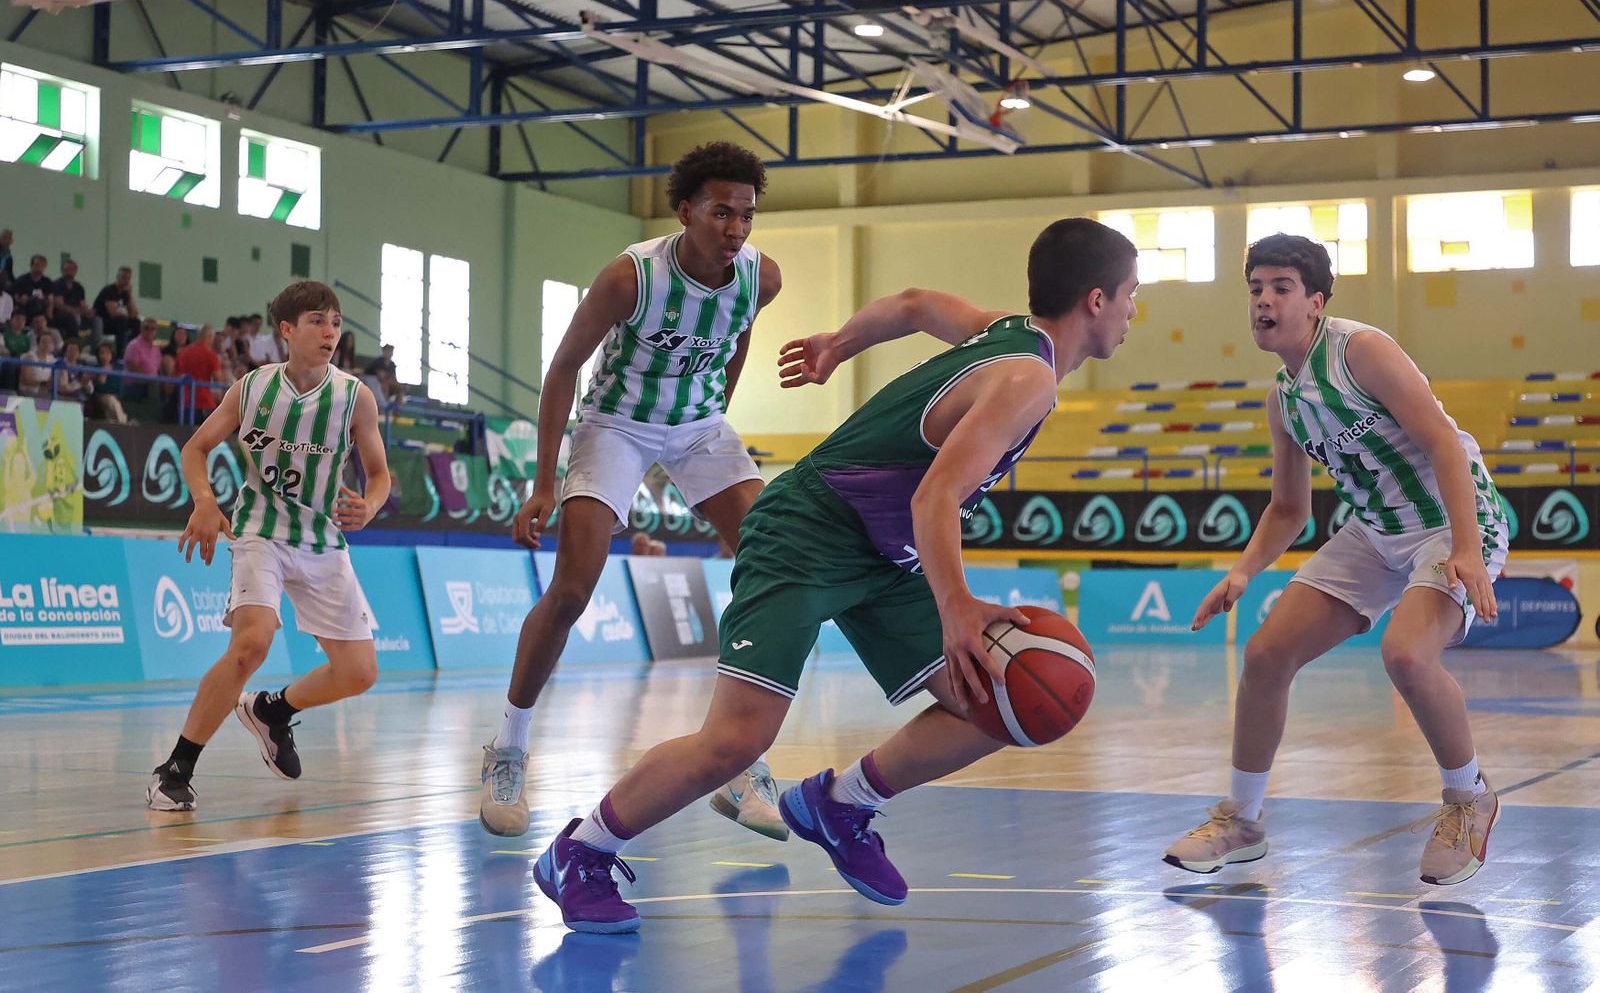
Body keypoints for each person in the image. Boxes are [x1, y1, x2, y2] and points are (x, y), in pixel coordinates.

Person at [530, 218, 1139, 935]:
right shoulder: (1027, 378)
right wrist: (957, 607)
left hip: (881, 551)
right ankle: (580, 851)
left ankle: (841, 803)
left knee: (997, 700)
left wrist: (840, 343)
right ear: (1096, 299)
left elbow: (914, 304)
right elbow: (935, 497)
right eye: (1131, 295)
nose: (1133, 311)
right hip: (809, 530)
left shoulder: (1009, 334)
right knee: (735, 742)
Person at [1161, 234, 1509, 887]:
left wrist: (1467, 548)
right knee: (1266, 655)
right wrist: (1242, 572)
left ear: (1316, 302)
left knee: (1407, 655)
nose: (1264, 301)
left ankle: (1470, 798)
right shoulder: (1283, 400)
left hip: (1450, 519)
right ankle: (1243, 822)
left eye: (1281, 288)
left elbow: (1442, 441)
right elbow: (1288, 508)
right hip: (1375, 530)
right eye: (1255, 289)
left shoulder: (1360, 351)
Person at [478, 142, 786, 842]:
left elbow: (737, 336)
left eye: (746, 215)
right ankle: (508, 748)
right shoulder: (630, 278)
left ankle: (739, 759)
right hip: (616, 424)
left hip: (699, 425)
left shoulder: (760, 278)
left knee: (774, 564)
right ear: (685, 212)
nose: (736, 229)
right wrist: (544, 482)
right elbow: (563, 368)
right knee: (572, 591)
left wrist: (716, 415)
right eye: (721, 213)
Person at [146, 281, 392, 812]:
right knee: (251, 644)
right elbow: (195, 449)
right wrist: (205, 502)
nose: (330, 332)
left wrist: (370, 506)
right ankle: (176, 768)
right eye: (317, 321)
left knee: (360, 673)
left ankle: (272, 711)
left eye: (335, 322)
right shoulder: (252, 389)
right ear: (287, 330)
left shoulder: (354, 397)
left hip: (323, 540)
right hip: (260, 531)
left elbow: (379, 475)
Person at [93, 266, 139, 353]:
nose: (126, 281)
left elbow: (134, 314)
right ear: (118, 277)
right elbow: (113, 313)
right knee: (122, 321)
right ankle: (120, 352)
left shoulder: (125, 293)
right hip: (102, 322)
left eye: (128, 278)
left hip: (118, 322)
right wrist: (127, 315)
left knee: (136, 323)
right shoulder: (109, 290)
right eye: (124, 277)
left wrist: (130, 295)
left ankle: (133, 350)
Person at [52, 259, 88, 340]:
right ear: (62, 271)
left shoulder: (79, 287)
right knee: (72, 318)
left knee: (96, 319)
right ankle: (72, 341)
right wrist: (75, 311)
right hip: (59, 314)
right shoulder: (57, 285)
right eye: (67, 269)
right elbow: (59, 305)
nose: (69, 272)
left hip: (76, 312)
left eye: (72, 269)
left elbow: (83, 304)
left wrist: (88, 311)